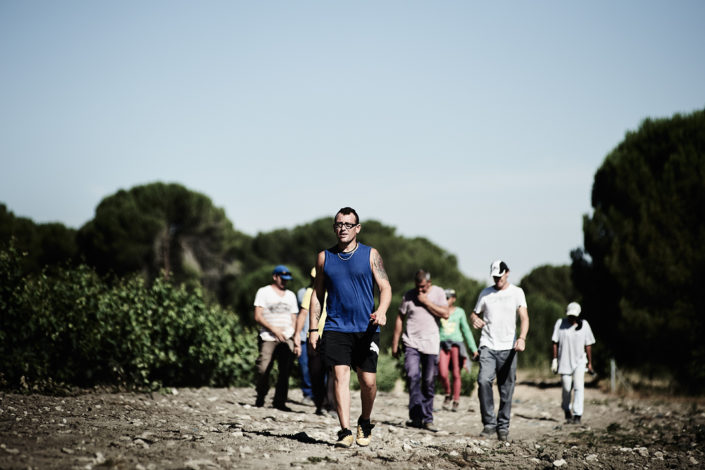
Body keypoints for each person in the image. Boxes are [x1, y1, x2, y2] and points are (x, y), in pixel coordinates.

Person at [309, 207, 392, 448]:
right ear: (334, 227)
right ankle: (344, 430)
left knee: (368, 382)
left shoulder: (370, 254)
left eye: (348, 224)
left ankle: (364, 421)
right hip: (336, 326)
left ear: (357, 228)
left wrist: (383, 311)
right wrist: (313, 328)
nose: (342, 228)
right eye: (338, 224)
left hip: (366, 327)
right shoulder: (325, 257)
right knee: (340, 376)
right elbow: (318, 293)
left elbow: (385, 287)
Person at [469, 260, 529, 442]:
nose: (497, 279)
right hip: (488, 345)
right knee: (483, 380)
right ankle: (489, 424)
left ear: (507, 273)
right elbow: (474, 313)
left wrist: (522, 338)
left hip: (509, 347)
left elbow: (525, 318)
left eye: (500, 275)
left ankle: (503, 427)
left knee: (506, 389)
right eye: (495, 276)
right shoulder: (486, 293)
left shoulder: (517, 293)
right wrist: (474, 319)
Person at [392, 270, 449, 431]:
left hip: (430, 343)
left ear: (429, 283)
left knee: (429, 381)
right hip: (411, 342)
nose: (420, 290)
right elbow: (399, 318)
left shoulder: (438, 292)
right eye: (417, 287)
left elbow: (445, 314)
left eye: (423, 287)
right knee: (412, 376)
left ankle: (427, 418)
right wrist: (395, 343)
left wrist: (426, 302)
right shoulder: (408, 295)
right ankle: (416, 417)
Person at [253, 265, 302, 411]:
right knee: (263, 368)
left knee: (285, 370)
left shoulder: (291, 296)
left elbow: (294, 317)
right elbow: (257, 316)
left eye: (287, 280)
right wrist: (274, 330)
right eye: (282, 278)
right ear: (275, 277)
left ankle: (280, 402)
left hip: (287, 337)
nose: (284, 282)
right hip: (268, 336)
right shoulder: (263, 292)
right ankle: (261, 394)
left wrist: (293, 336)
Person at [297, 267, 336, 415]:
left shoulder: (335, 292)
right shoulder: (309, 292)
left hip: (333, 336)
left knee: (333, 373)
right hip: (314, 337)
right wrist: (297, 335)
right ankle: (320, 404)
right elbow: (303, 314)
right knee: (316, 373)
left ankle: (331, 406)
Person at [551, 302, 596, 425]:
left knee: (578, 387)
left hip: (580, 361)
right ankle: (566, 409)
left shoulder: (585, 325)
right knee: (566, 388)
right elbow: (555, 342)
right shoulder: (560, 323)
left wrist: (590, 363)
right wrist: (555, 360)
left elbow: (588, 344)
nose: (572, 318)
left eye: (574, 316)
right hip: (564, 361)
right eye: (570, 316)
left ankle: (577, 414)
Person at [438, 288, 479, 412]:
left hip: (456, 344)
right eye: (444, 297)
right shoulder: (438, 310)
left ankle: (456, 399)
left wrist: (473, 349)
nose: (446, 300)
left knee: (456, 373)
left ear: (453, 299)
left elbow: (466, 330)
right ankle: (447, 393)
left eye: (448, 297)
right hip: (442, 344)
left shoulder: (459, 312)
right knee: (443, 372)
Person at [295, 269, 315, 405]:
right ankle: (308, 394)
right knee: (305, 366)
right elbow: (300, 314)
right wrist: (296, 334)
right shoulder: (302, 293)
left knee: (321, 369)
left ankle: (321, 395)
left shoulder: (329, 293)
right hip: (304, 335)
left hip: (319, 335)